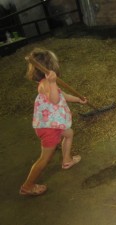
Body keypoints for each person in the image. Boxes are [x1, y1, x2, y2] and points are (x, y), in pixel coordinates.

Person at [19, 48, 87, 196]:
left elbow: (63, 96)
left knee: (69, 133)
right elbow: (55, 100)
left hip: (54, 124)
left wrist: (79, 100)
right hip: (49, 128)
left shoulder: (50, 83)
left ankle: (67, 160)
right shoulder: (45, 84)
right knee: (44, 159)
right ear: (50, 68)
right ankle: (27, 186)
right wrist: (52, 82)